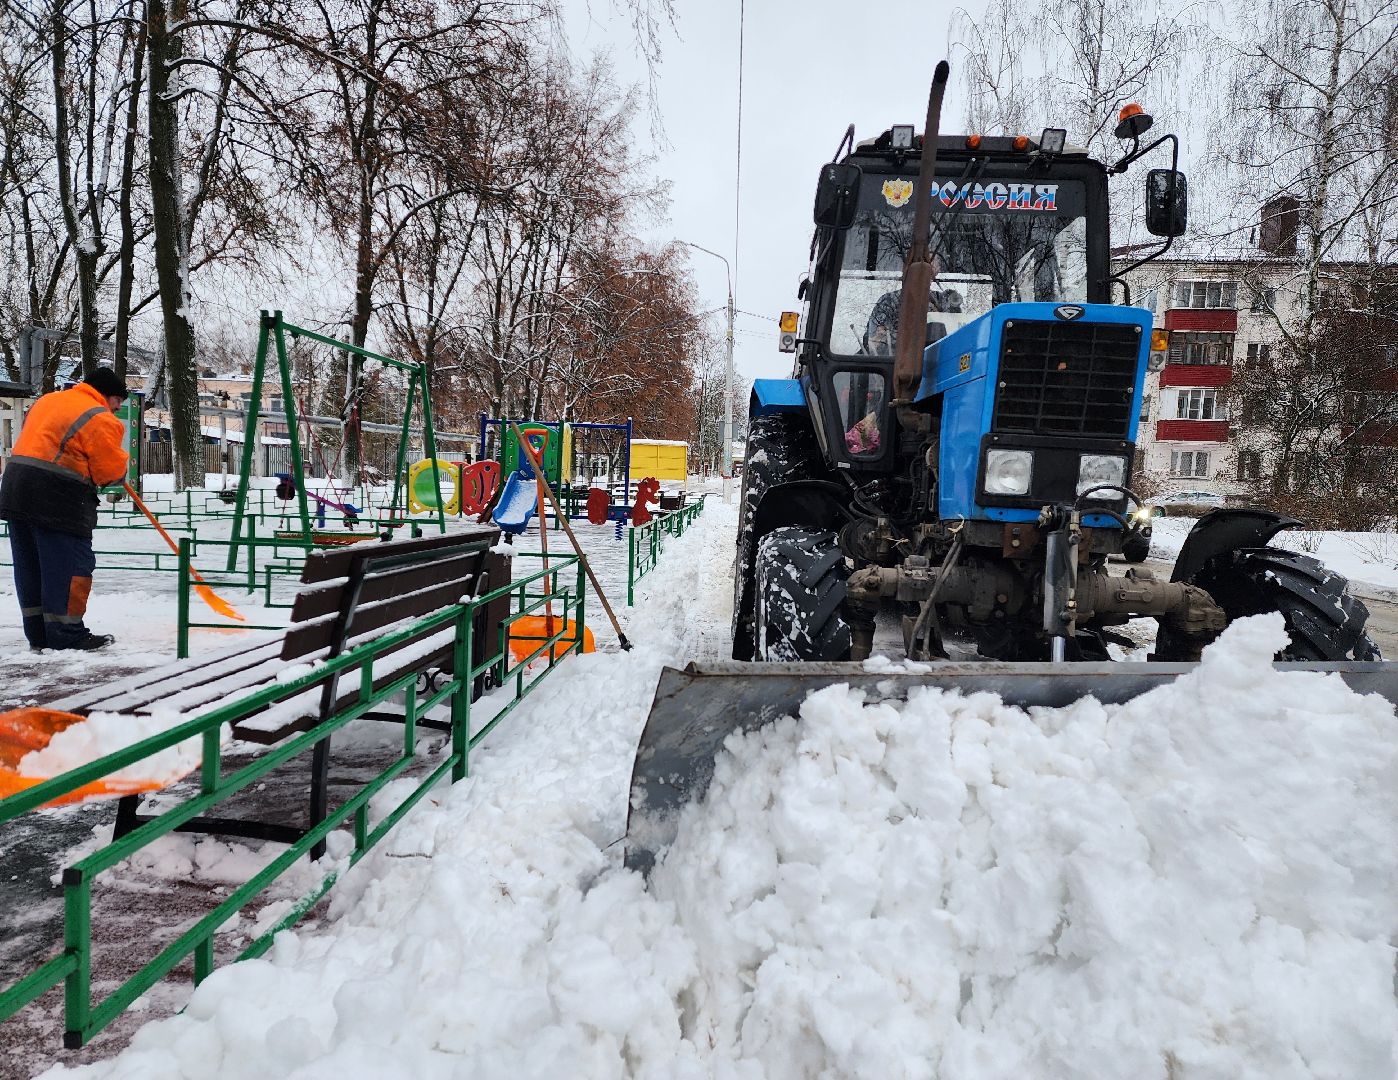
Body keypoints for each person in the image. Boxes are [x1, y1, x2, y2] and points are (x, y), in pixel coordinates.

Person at [0, 368, 130, 650]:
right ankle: (67, 634)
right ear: (106, 395)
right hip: (57, 495)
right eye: (118, 401)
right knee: (69, 566)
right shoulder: (100, 416)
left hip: (15, 488)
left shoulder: (49, 400)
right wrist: (120, 469)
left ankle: (39, 634)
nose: (118, 409)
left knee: (31, 565)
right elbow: (108, 472)